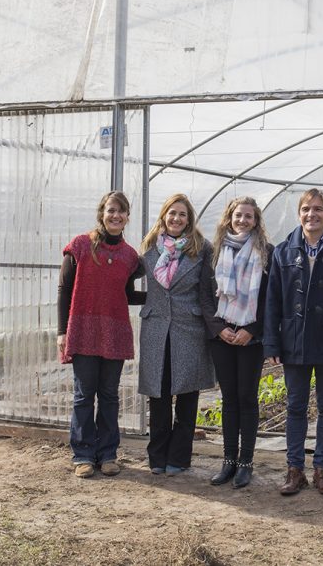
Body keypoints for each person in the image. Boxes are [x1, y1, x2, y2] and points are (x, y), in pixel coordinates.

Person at [264, 188, 323, 496]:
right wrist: (272, 344)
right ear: (299, 214)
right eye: (306, 209)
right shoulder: (283, 252)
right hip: (294, 341)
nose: (312, 214)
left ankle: (321, 469)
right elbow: (273, 302)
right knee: (295, 406)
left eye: (318, 209)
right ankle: (295, 470)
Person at [57, 190, 143, 479]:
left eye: (121, 211)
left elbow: (127, 294)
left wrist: (161, 295)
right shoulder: (81, 246)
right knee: (84, 395)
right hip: (83, 329)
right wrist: (61, 331)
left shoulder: (130, 256)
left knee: (109, 396)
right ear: (102, 214)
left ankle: (107, 454)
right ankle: (82, 455)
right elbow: (64, 289)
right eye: (111, 210)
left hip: (115, 331)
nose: (115, 216)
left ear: (127, 217)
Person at [137, 193, 218, 475]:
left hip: (189, 328)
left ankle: (180, 457)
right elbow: (126, 281)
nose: (176, 219)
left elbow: (209, 290)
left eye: (182, 214)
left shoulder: (202, 248)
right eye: (172, 213)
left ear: (189, 219)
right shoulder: (149, 247)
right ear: (163, 216)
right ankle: (157, 457)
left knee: (186, 395)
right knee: (157, 394)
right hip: (156, 328)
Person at [207, 196, 274, 489]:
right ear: (229, 218)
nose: (243, 220)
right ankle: (228, 461)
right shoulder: (215, 252)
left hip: (251, 338)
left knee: (247, 398)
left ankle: (246, 462)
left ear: (256, 220)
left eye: (249, 216)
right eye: (238, 215)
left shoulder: (266, 253)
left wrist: (253, 329)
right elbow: (205, 296)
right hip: (222, 336)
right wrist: (219, 328)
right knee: (229, 398)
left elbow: (271, 299)